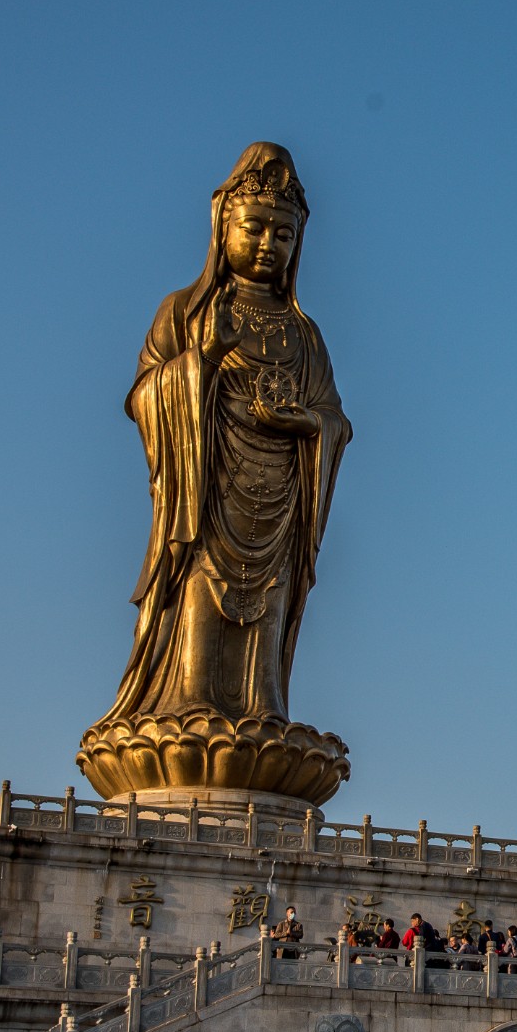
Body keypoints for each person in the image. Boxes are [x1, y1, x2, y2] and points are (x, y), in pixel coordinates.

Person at [89, 143, 350, 746]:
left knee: (273, 597)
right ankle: (188, 700)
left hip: (282, 499)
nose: (267, 244)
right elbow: (144, 394)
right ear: (221, 226)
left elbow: (335, 418)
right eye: (254, 227)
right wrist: (200, 361)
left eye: (283, 234)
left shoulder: (304, 335)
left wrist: (308, 425)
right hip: (207, 488)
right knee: (204, 583)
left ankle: (262, 709)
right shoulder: (186, 310)